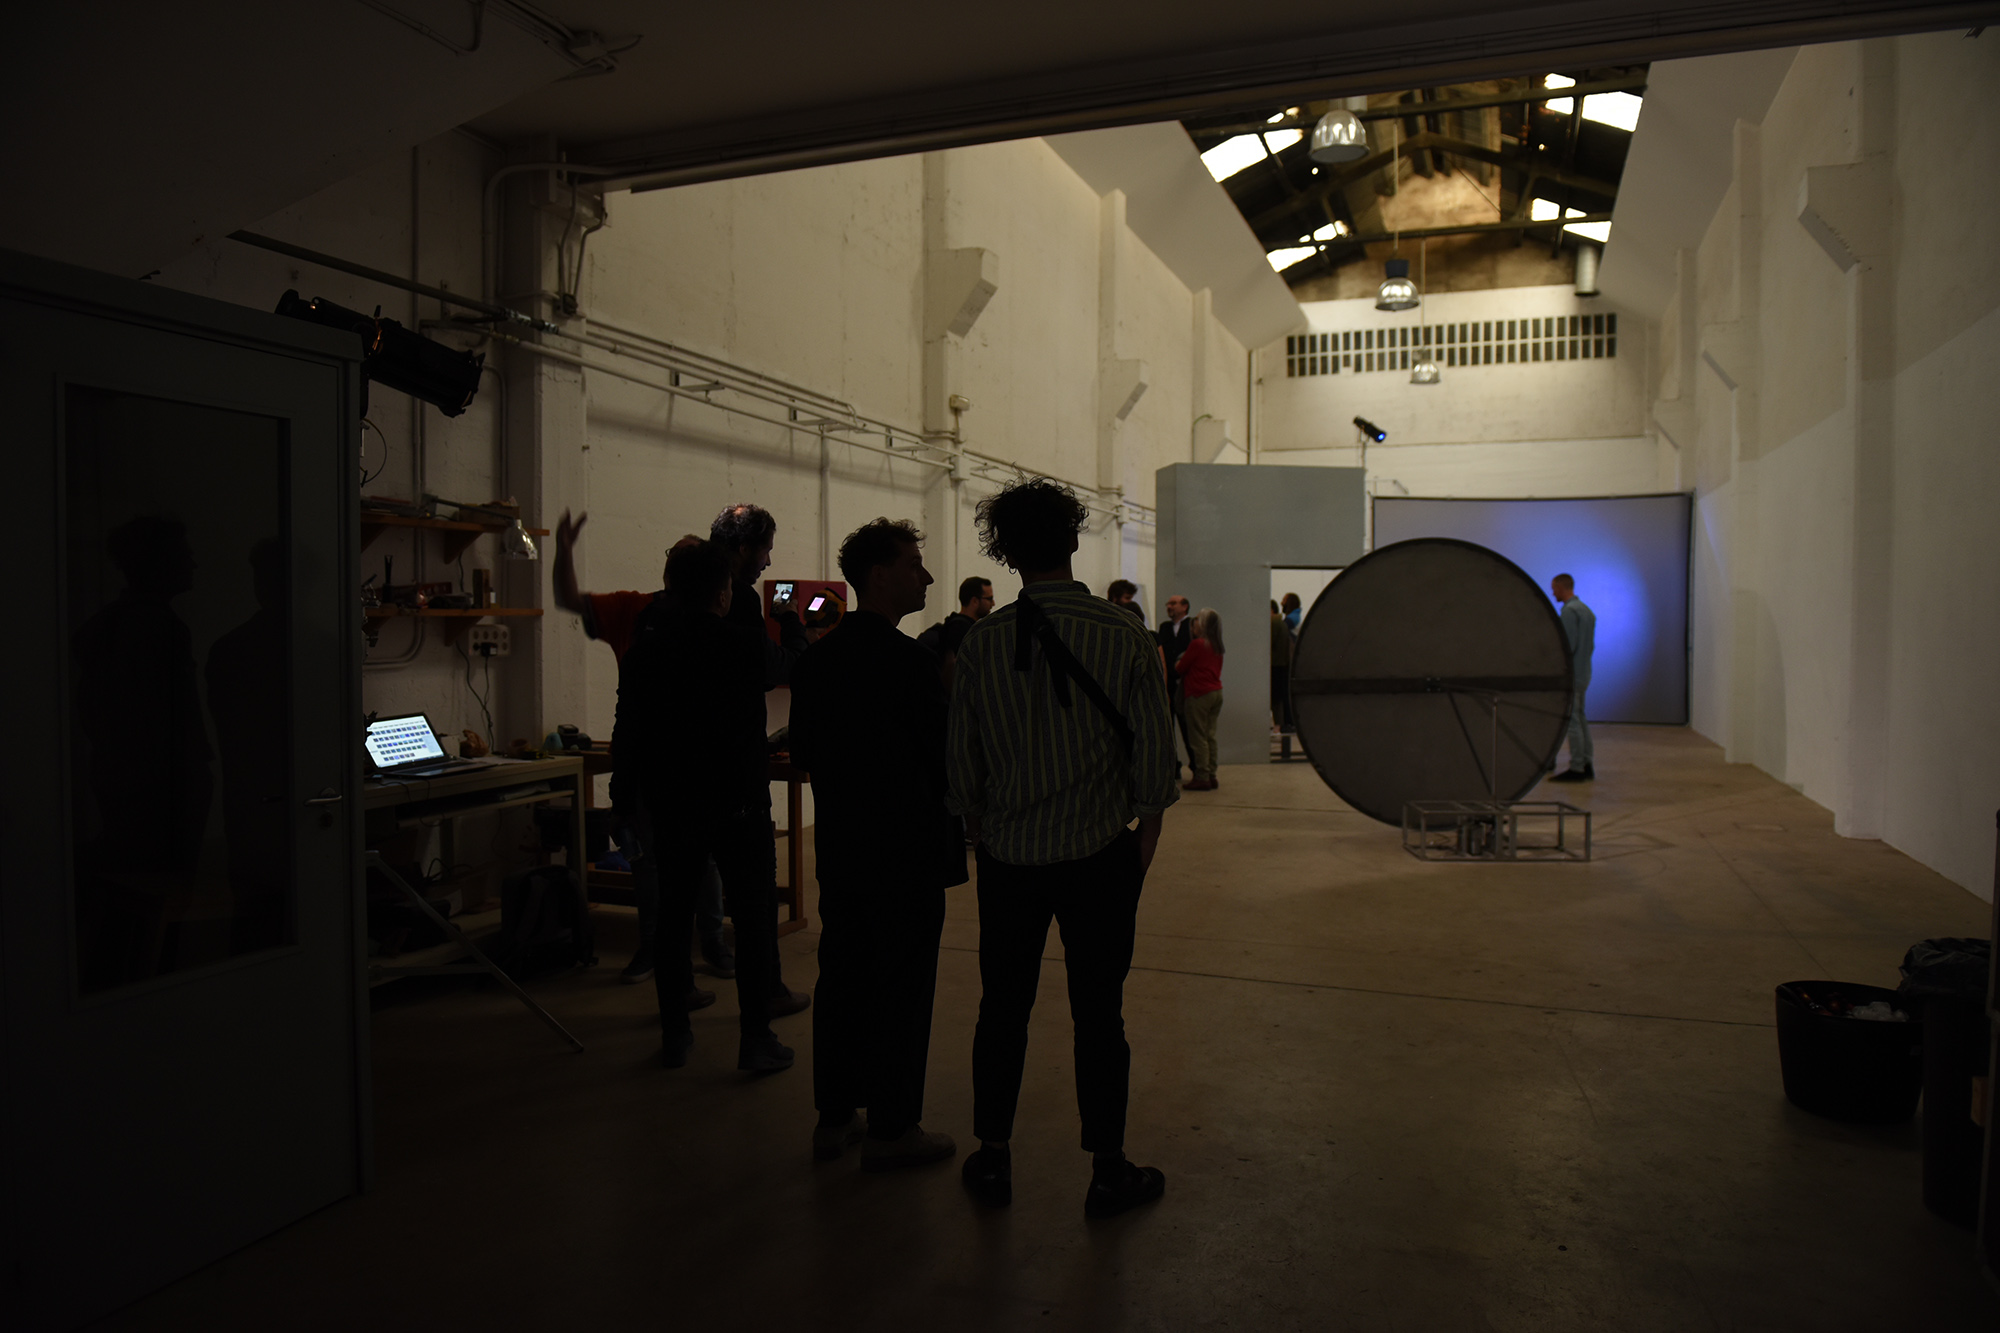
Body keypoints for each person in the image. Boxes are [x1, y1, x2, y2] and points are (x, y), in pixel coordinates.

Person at [948, 476, 1177, 1220]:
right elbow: (1154, 761)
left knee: (1001, 1010)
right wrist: (1143, 841)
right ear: (1075, 540)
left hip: (1009, 860)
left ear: (1007, 554)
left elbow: (962, 766)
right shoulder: (1127, 635)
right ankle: (1107, 1171)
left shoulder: (981, 642)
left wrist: (980, 828)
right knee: (1100, 1015)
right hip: (1100, 858)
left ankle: (992, 1156)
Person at [789, 519, 967, 1171]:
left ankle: (835, 1117)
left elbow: (802, 752)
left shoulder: (817, 660)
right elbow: (944, 758)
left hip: (843, 850)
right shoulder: (909, 662)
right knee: (901, 987)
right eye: (914, 563)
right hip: (906, 854)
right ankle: (893, 1128)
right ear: (879, 574)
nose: (926, 575)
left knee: (842, 978)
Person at [612, 540, 794, 1072]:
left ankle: (675, 1035)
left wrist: (623, 800)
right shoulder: (743, 645)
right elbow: (792, 666)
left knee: (673, 919)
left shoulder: (644, 652)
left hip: (672, 805)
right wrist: (793, 626)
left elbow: (628, 731)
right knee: (753, 920)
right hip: (739, 805)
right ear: (723, 594)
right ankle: (755, 1039)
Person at [551, 510, 734, 985]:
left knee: (703, 860)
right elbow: (570, 599)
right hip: (650, 765)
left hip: (691, 766)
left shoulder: (713, 625)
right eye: (677, 555)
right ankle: (654, 948)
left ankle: (710, 943)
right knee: (650, 862)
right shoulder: (635, 611)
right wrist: (564, 550)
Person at [710, 502, 814, 1018]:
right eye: (766, 550)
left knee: (679, 892)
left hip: (681, 778)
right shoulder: (741, 603)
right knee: (754, 898)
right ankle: (764, 1005)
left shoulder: (665, 611)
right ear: (743, 548)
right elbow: (780, 669)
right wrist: (791, 624)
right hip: (735, 775)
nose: (768, 562)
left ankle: (676, 1022)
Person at [1547, 573, 1597, 782]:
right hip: (1584, 672)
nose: (1553, 593)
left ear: (1561, 587)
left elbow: (1566, 646)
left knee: (1572, 720)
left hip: (1572, 675)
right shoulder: (1586, 611)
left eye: (1554, 588)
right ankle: (1586, 763)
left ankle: (1576, 768)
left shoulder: (1569, 612)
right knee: (1580, 717)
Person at [916, 574, 995, 691]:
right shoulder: (963, 630)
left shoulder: (952, 624)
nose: (993, 603)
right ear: (974, 601)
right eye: (989, 599)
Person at [1176, 608, 1225, 791]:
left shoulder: (1197, 644)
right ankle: (1211, 774)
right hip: (1216, 692)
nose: (1193, 623)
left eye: (1197, 619)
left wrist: (1177, 662)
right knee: (1210, 735)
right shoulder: (1217, 645)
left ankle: (1202, 776)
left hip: (1198, 693)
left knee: (1197, 737)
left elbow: (1180, 668)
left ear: (1204, 624)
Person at [1156, 594, 1193, 778]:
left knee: (1189, 729)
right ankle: (1173, 767)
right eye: (1168, 603)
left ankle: (1197, 767)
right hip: (1169, 684)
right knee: (1168, 729)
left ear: (1184, 607)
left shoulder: (1192, 626)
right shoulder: (1164, 627)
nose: (1169, 606)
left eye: (1173, 603)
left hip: (1186, 685)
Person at [1269, 600, 1294, 734]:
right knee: (1279, 697)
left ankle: (1278, 725)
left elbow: (1269, 642)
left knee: (1275, 698)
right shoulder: (1281, 623)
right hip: (1282, 664)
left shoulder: (1273, 623)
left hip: (1275, 664)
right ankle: (1280, 725)